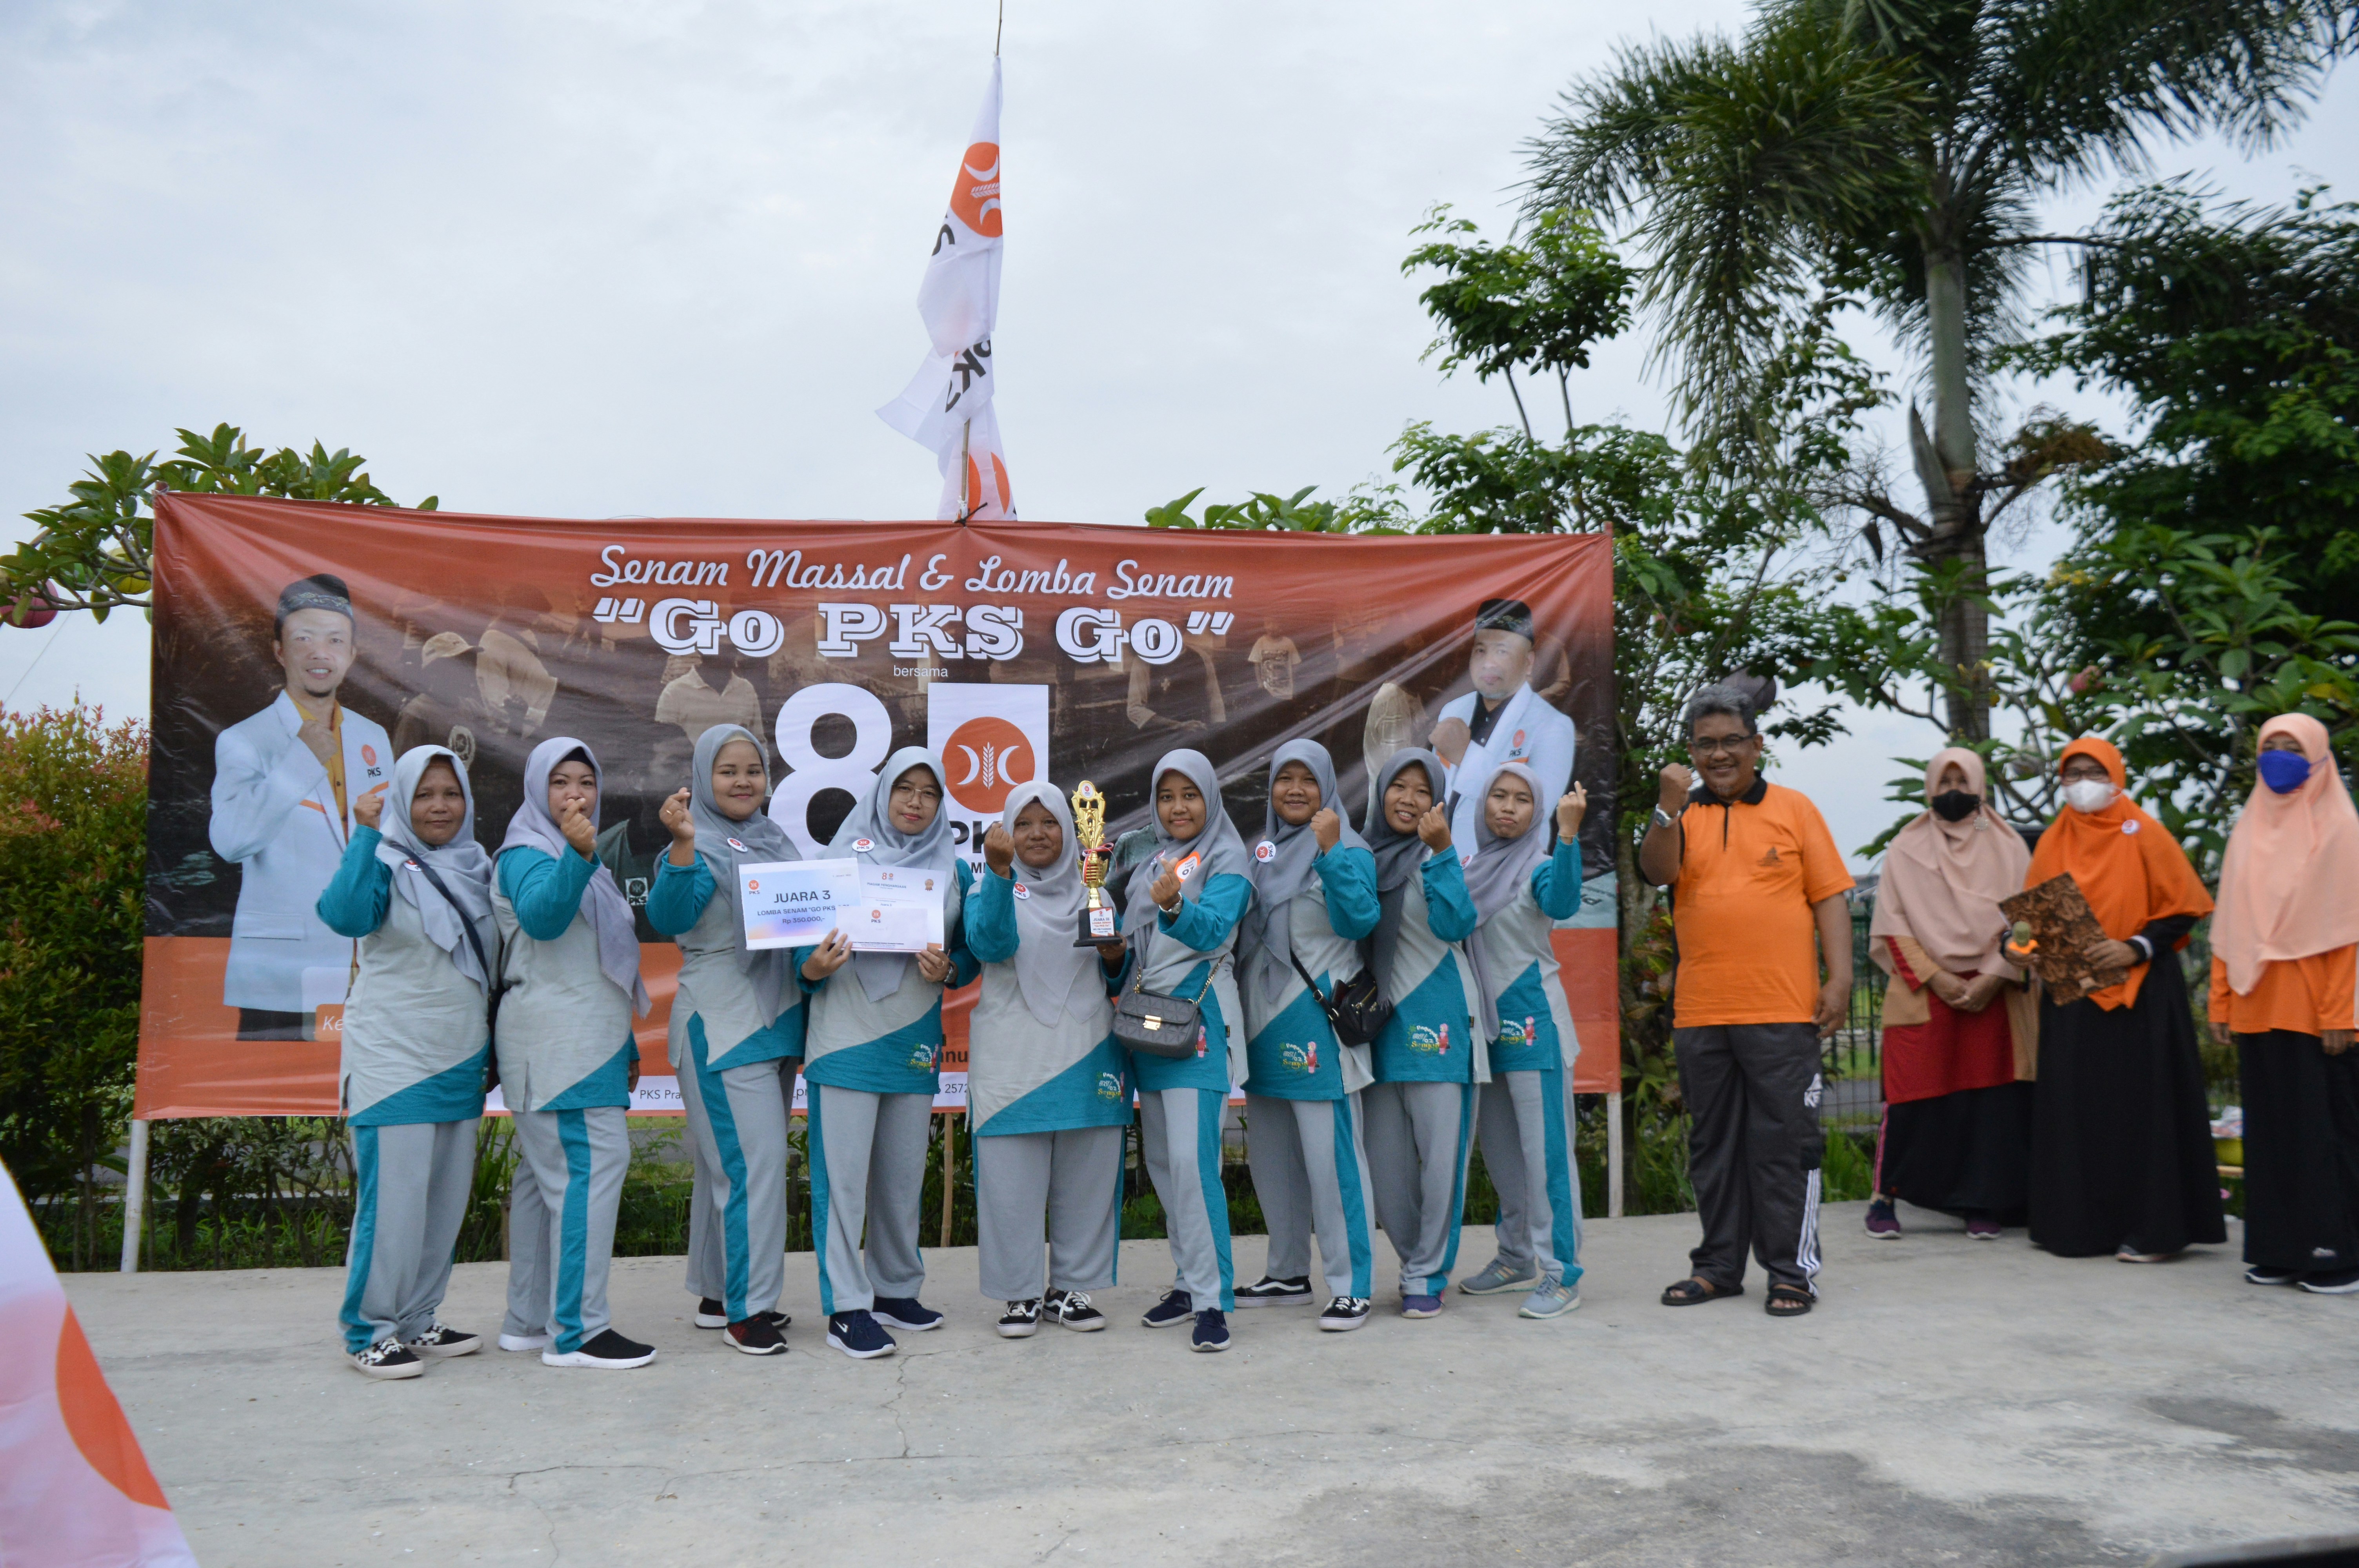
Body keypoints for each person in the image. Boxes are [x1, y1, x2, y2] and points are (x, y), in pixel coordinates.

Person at [1638, 684, 1853, 1318]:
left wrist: (1840, 979)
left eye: (1732, 740)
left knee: (1786, 1146)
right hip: (1702, 1014)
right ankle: (1717, 1268)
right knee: (1714, 1147)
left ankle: (1791, 1273)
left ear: (1757, 745)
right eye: (1706, 744)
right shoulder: (1682, 816)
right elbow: (1657, 872)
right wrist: (1666, 808)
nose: (1720, 754)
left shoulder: (1795, 809)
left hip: (1783, 1012)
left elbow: (1830, 897)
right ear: (1691, 752)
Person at [316, 745, 496, 1379]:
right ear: (400, 800)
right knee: (392, 1208)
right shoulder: (384, 860)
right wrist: (365, 835)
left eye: (451, 793)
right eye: (424, 794)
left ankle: (418, 1318)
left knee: (442, 1206)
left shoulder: (478, 867)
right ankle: (368, 1330)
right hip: (394, 1059)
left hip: (460, 1055)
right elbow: (344, 915)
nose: (440, 806)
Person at [800, 749, 976, 1361]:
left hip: (914, 1040)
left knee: (902, 1180)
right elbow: (794, 951)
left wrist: (949, 968)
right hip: (846, 1037)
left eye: (929, 792)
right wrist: (812, 967)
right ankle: (847, 1309)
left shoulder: (954, 871)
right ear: (882, 794)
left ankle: (895, 1291)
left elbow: (970, 953)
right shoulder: (835, 864)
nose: (915, 802)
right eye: (905, 788)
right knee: (843, 1183)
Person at [2023, 736, 2224, 1262]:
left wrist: (2134, 947)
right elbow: (2031, 922)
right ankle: (2079, 1228)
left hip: (2144, 994)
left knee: (2144, 1109)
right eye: (2072, 774)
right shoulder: (2053, 841)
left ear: (2116, 775)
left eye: (2094, 772)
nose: (2083, 783)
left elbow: (2183, 908)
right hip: (2074, 995)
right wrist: (2017, 946)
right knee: (2077, 1109)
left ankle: (2153, 1230)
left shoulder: (2145, 832)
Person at [492, 738, 658, 1370]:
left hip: (586, 1042)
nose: (575, 795)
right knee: (593, 1168)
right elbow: (543, 920)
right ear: (537, 789)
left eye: (586, 782)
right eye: (560, 782)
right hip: (560, 1048)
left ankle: (528, 1322)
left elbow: (598, 963)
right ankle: (579, 1332)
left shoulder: (573, 855)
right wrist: (580, 855)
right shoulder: (529, 853)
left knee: (546, 1184)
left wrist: (626, 1041)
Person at [645, 724, 804, 1356]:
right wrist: (683, 844)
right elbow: (669, 916)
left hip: (778, 1021)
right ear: (703, 777)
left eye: (753, 770)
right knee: (751, 1169)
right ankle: (749, 1308)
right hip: (723, 1023)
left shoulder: (775, 841)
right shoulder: (697, 842)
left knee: (732, 1166)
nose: (743, 782)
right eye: (728, 771)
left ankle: (718, 1294)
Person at [966, 783, 1133, 1337]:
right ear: (1006, 832)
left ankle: (1071, 1289)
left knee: (1087, 1179)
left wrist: (1116, 957)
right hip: (1012, 1061)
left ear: (1069, 829)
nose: (1037, 834)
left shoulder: (1095, 893)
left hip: (1087, 1050)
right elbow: (990, 946)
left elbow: (1116, 980)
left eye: (1050, 823)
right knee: (1009, 1184)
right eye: (1024, 824)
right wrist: (998, 874)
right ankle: (1018, 1294)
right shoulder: (987, 886)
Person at [1234, 740, 1382, 1332]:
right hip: (1262, 1024)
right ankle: (1288, 1271)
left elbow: (1359, 920)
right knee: (1273, 1162)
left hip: (1318, 1025)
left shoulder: (1350, 848)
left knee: (1333, 1163)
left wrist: (1330, 852)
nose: (1294, 790)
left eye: (1307, 780)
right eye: (1283, 779)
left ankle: (1352, 1284)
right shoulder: (1261, 854)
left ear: (1327, 787)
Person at [209, 574, 396, 1040]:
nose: (320, 653)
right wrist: (301, 761)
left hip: (368, 965)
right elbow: (231, 842)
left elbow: (389, 840)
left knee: (362, 1084)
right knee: (275, 1084)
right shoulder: (244, 739)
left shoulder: (372, 736)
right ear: (279, 651)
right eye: (304, 639)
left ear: (352, 654)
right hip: (283, 971)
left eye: (335, 641)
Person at [2210, 715, 2359, 1293]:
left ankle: (2335, 1254)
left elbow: (2348, 933)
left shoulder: (2342, 828)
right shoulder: (2248, 828)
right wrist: (2221, 1001)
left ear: (2318, 756)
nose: (2277, 756)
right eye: (2268, 746)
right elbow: (2229, 924)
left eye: (2291, 747)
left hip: (2317, 1014)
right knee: (2271, 1138)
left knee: (2325, 1137)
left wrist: (2340, 1013)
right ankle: (2276, 1249)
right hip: (2256, 1005)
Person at [1864, 748, 2037, 1240]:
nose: (1953, 791)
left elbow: (2027, 923)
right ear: (1929, 787)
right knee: (1910, 1099)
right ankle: (1884, 1198)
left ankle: (1979, 1202)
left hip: (1995, 993)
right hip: (1924, 990)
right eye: (1944, 781)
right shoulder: (1906, 847)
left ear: (1980, 785)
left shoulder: (2009, 847)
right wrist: (1937, 977)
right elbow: (1892, 925)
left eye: (1963, 781)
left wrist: (1993, 975)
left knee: (1987, 1105)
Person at [1121, 749, 1254, 1353]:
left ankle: (1212, 1300)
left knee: (1194, 1166)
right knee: (1164, 1165)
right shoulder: (1152, 862)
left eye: (1190, 795)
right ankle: (1187, 1280)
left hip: (1198, 1025)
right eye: (1167, 796)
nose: (1178, 807)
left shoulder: (1228, 858)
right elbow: (1135, 951)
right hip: (1149, 1028)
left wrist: (1176, 904)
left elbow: (1213, 929)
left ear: (1210, 798)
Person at [1456, 762, 1589, 1320]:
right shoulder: (1470, 868)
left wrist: (1568, 837)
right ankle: (1516, 1258)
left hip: (1536, 1028)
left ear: (1537, 812)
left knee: (1546, 1156)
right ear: (1482, 805)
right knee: (1504, 1156)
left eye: (1522, 800)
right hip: (1486, 1034)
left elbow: (1562, 903)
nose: (1508, 808)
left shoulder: (1539, 866)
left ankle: (1562, 1273)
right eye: (1499, 796)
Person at [1359, 747, 1483, 1319]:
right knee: (1387, 1169)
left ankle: (1427, 1273)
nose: (1408, 800)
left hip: (1439, 1026)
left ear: (1437, 801)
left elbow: (1456, 923)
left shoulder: (1438, 856)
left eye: (1421, 790)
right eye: (1398, 787)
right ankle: (1415, 1261)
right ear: (1380, 792)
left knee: (1440, 1165)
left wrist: (1442, 851)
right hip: (1377, 1031)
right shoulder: (1362, 857)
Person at [1429, 599, 1577, 853]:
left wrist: (1466, 757)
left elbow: (1537, 810)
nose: (1489, 663)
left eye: (1502, 652)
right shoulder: (1453, 710)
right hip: (1441, 861)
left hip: (1507, 868)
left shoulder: (1553, 726)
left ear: (1529, 663)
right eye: (1481, 650)